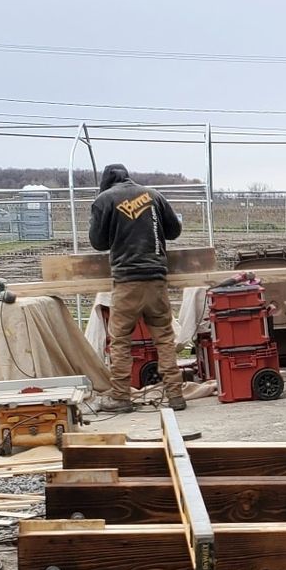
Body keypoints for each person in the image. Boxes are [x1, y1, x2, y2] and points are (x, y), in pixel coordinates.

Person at [87, 163, 185, 413]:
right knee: (164, 337)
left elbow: (98, 242)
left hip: (127, 282)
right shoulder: (154, 195)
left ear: (106, 182)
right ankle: (175, 394)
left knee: (120, 340)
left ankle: (121, 396)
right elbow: (174, 231)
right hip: (156, 280)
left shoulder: (104, 199)